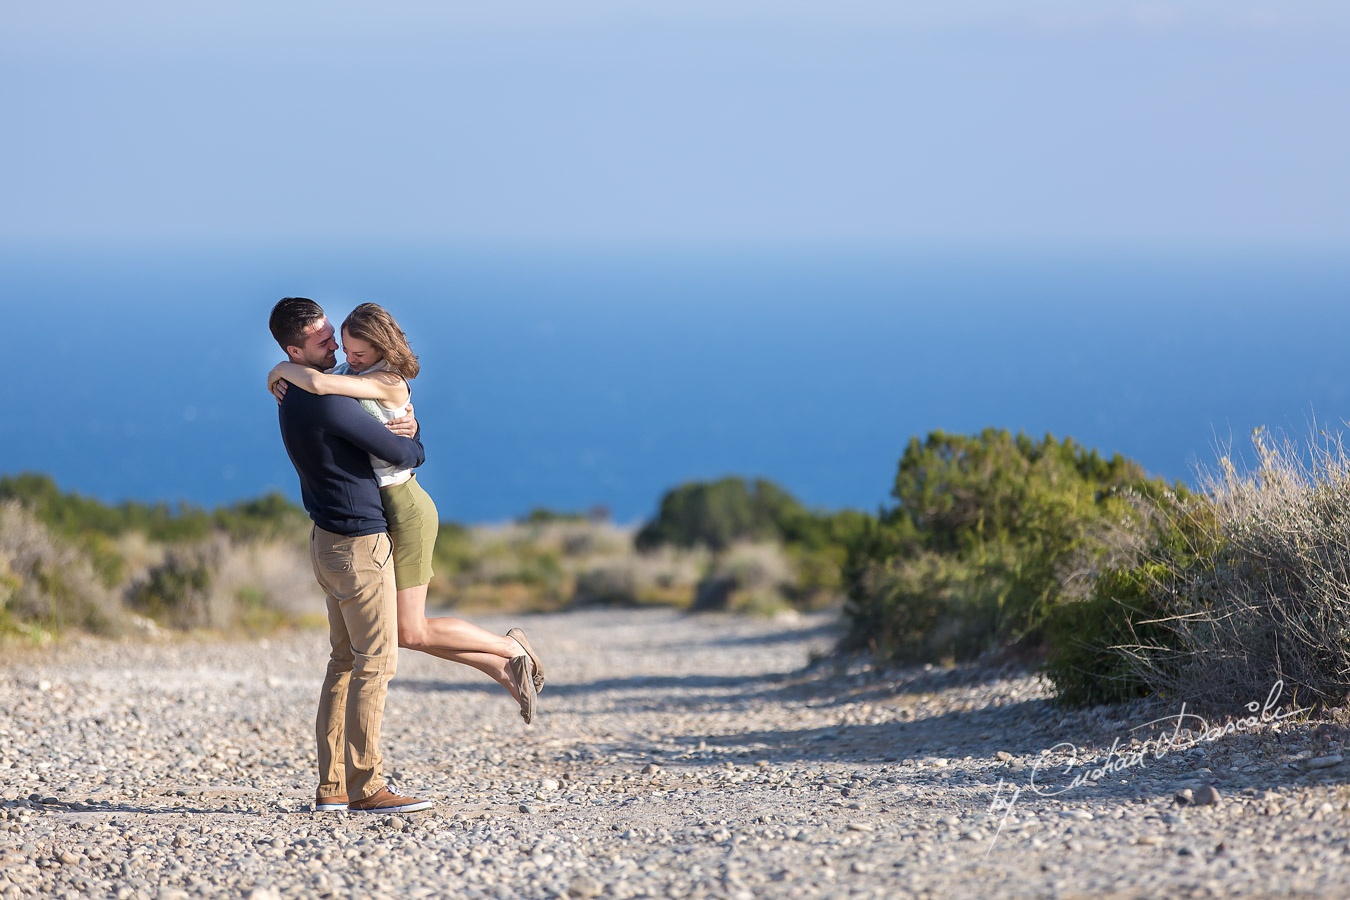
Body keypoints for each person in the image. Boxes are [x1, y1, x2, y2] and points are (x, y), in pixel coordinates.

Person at [268, 302, 546, 726]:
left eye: (356, 352)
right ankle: (505, 668)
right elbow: (325, 382)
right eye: (342, 348)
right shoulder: (354, 374)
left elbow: (321, 389)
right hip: (386, 510)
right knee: (402, 631)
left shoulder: (385, 380)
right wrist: (281, 371)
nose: (347, 358)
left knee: (410, 632)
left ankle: (511, 650)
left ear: (380, 349)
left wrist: (280, 371)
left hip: (408, 509)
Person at [269, 296, 435, 815]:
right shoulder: (324, 399)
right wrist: (411, 440)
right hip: (359, 546)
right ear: (296, 349)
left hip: (325, 542)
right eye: (323, 340)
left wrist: (278, 370)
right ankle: (368, 788)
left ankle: (332, 788)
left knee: (343, 663)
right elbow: (402, 453)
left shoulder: (289, 393)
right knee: (376, 664)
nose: (335, 344)